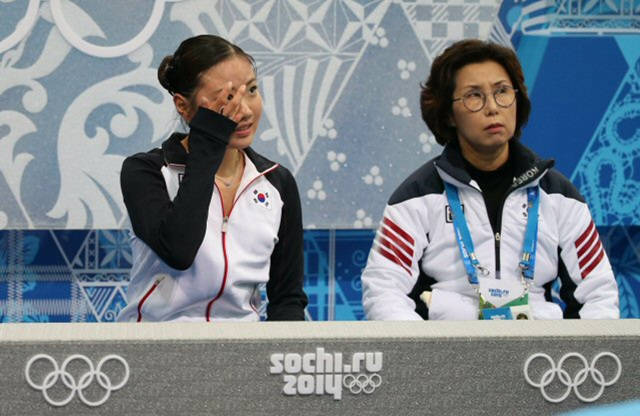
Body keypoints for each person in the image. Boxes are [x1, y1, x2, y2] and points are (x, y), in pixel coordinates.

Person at [361, 39, 619, 320]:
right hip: (447, 355)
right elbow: (384, 291)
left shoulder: (559, 196)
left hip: (541, 357)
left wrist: (570, 360)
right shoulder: (416, 197)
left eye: (502, 92)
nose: (493, 107)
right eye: (474, 96)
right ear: (448, 114)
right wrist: (427, 359)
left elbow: (598, 295)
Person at [117, 35, 308, 322]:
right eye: (226, 99)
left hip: (242, 352)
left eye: (252, 90)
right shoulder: (146, 171)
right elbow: (179, 251)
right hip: (155, 347)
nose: (244, 111)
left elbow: (287, 298)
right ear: (183, 106)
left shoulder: (277, 183)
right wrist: (208, 142)